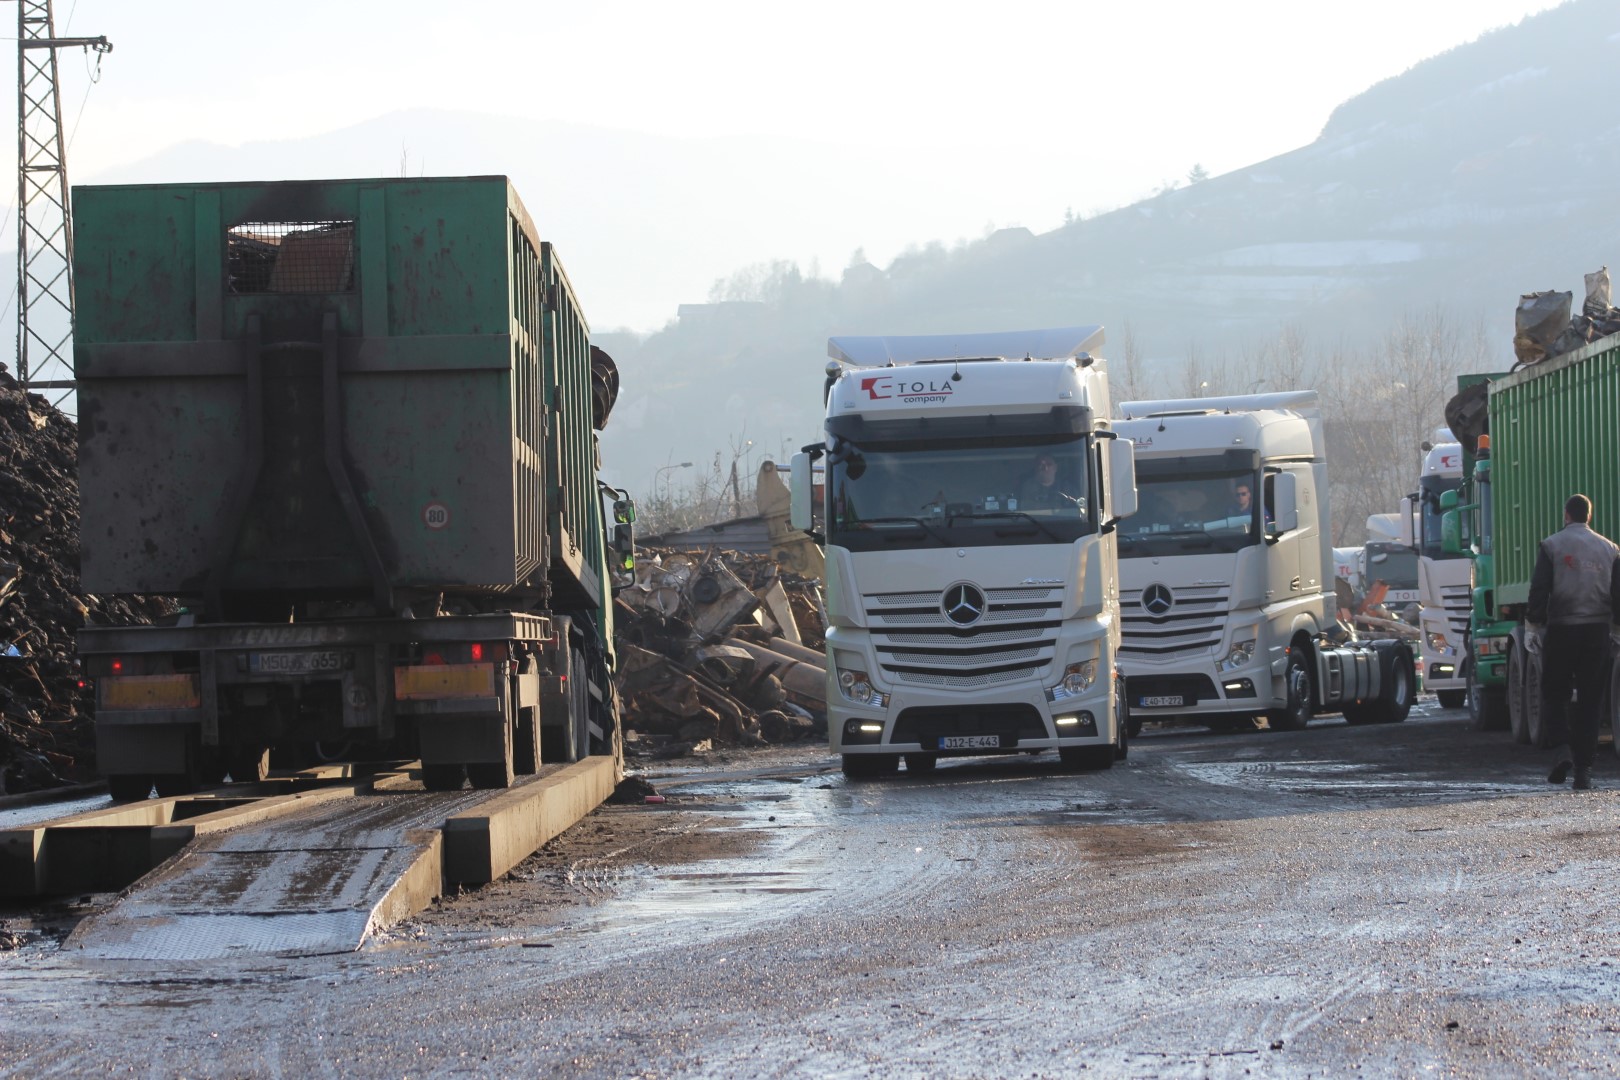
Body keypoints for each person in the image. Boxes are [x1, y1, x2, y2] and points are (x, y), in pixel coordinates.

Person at [1526, 493, 1620, 790]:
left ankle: (1562, 749)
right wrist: (1616, 629)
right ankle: (1584, 772)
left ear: (1566, 515)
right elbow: (1618, 595)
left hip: (1562, 630)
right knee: (1591, 701)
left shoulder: (1552, 545)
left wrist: (1533, 625)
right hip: (1597, 632)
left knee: (1554, 692)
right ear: (1588, 516)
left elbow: (1540, 588)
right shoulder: (1610, 549)